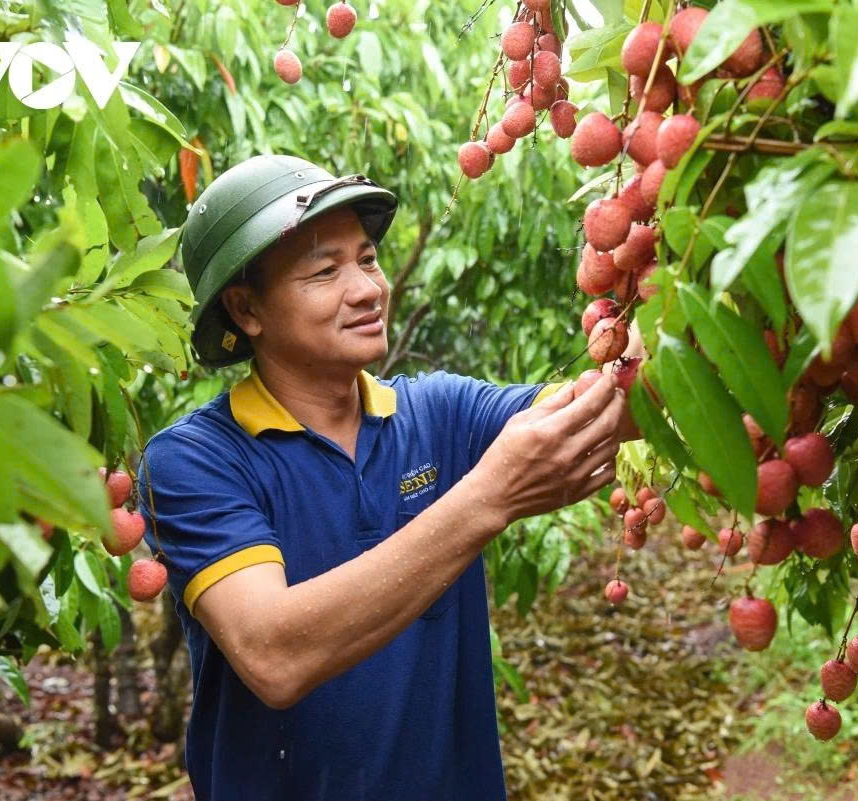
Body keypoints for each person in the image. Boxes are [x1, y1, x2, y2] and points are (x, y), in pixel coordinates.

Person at [138, 155, 640, 801]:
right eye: (325, 270)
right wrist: (488, 498)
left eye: (368, 259)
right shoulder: (194, 461)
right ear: (247, 308)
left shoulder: (438, 413)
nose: (368, 288)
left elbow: (610, 401)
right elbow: (273, 652)